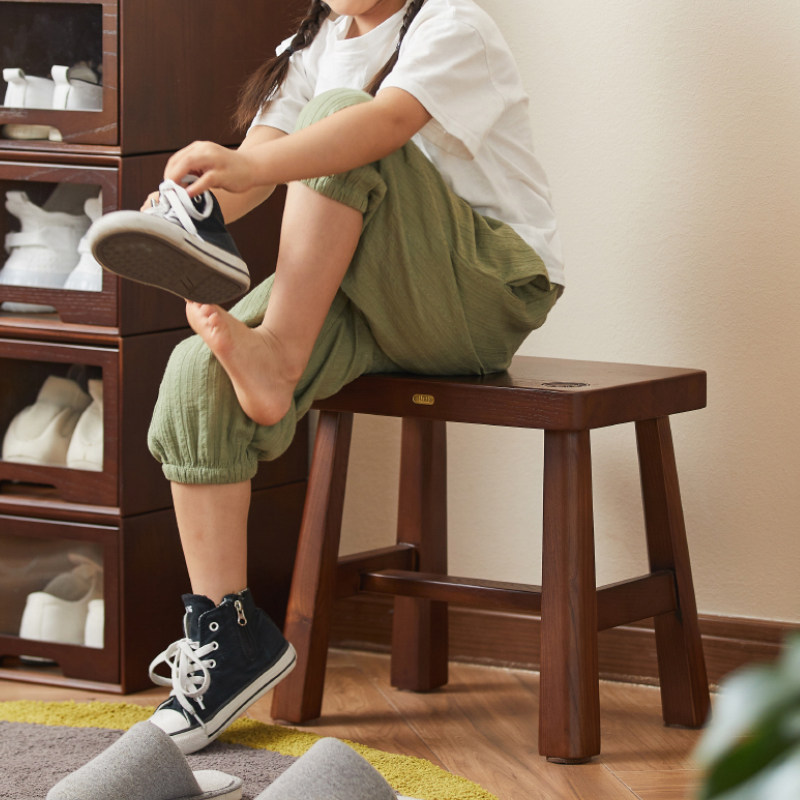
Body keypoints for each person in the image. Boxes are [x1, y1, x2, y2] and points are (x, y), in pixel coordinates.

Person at [94, 0, 565, 755]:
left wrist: (251, 164)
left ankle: (277, 354)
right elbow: (256, 169)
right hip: (370, 294)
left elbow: (381, 126)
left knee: (343, 117)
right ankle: (228, 638)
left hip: (482, 298)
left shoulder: (452, 26)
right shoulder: (312, 42)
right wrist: (196, 201)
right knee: (196, 375)